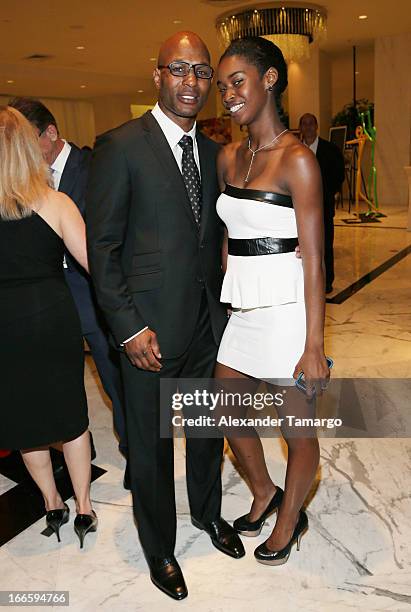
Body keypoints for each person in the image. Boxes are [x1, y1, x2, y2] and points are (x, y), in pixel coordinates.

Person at [86, 32, 244, 601]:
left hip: (205, 323)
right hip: (147, 332)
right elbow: (100, 248)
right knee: (151, 450)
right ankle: (160, 549)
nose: (191, 82)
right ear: (157, 76)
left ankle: (207, 516)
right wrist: (127, 327)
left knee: (206, 434)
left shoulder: (209, 150)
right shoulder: (121, 145)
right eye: (178, 69)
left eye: (201, 72)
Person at [215, 37, 330, 565]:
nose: (228, 95)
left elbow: (315, 261)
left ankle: (290, 519)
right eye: (222, 87)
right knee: (225, 408)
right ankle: (264, 490)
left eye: (238, 81)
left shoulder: (298, 160)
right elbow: (229, 236)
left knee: (296, 430)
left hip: (287, 313)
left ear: (270, 79)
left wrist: (313, 346)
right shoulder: (229, 157)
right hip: (245, 311)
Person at [8, 98, 129, 484]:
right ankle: (75, 458)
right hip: (46, 307)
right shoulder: (25, 191)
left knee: (114, 380)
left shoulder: (94, 168)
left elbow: (113, 237)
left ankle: (133, 451)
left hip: (88, 298)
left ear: (51, 134)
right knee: (50, 390)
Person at [0, 106, 97, 548]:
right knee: (70, 415)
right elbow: (95, 266)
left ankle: (51, 502)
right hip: (54, 319)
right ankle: (84, 508)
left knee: (24, 420)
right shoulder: (56, 202)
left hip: (7, 327)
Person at [299, 113, 345, 293]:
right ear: (300, 127)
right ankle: (305, 280)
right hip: (299, 209)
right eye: (304, 123)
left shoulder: (330, 149)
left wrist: (326, 194)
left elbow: (338, 175)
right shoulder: (294, 150)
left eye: (311, 123)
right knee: (301, 246)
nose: (308, 126)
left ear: (316, 126)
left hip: (323, 207)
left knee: (325, 245)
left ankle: (327, 282)